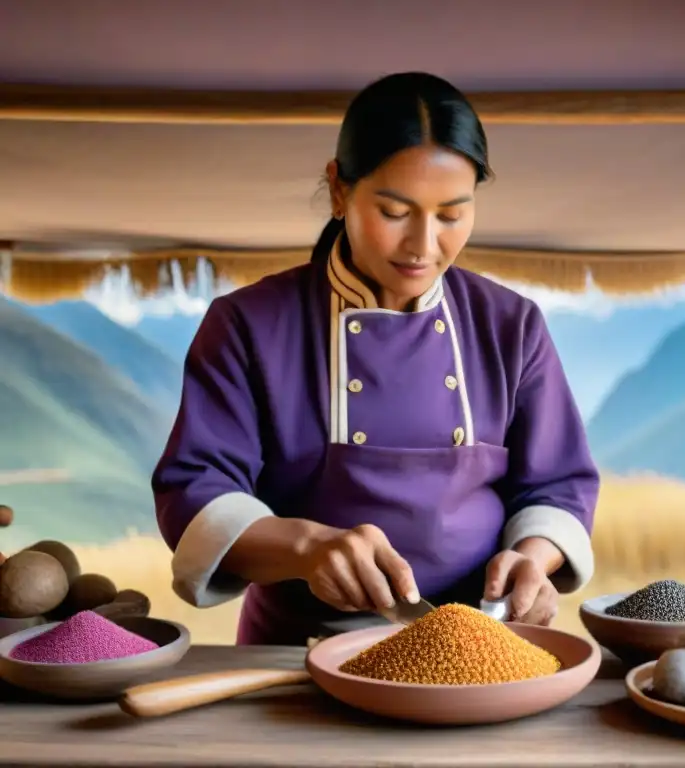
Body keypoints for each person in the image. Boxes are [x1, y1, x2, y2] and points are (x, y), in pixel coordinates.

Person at [152, 72, 600, 646]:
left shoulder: (510, 326)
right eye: (394, 211)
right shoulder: (248, 325)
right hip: (293, 657)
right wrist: (307, 548)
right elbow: (196, 489)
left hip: (480, 650)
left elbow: (558, 483)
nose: (423, 244)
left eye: (451, 214)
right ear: (339, 190)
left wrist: (534, 558)